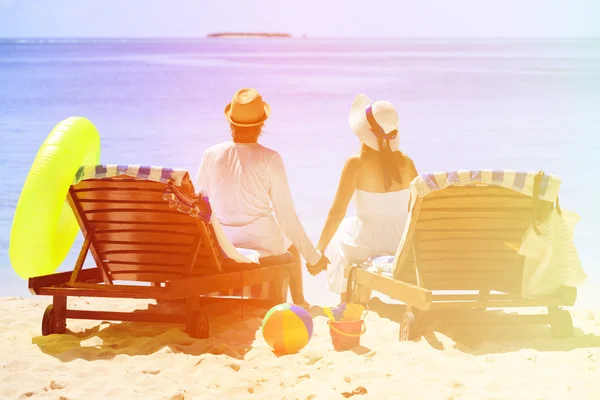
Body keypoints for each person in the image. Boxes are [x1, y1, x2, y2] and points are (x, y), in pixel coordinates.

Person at [195, 88, 328, 308]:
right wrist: (313, 258)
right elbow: (286, 217)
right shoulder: (270, 158)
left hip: (223, 242)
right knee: (291, 246)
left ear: (231, 124)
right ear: (261, 126)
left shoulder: (212, 154)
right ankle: (300, 302)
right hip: (262, 241)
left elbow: (200, 200)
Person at [309, 94, 419, 304]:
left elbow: (336, 213)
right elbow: (415, 209)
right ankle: (359, 300)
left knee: (341, 235)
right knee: (349, 229)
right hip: (399, 243)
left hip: (366, 242)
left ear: (363, 132)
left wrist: (319, 251)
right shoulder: (406, 163)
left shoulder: (356, 164)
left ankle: (348, 304)